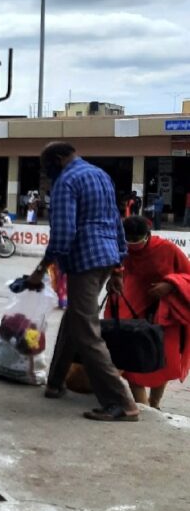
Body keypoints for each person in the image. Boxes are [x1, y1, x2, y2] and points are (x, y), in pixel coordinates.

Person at [26, 141, 139, 421]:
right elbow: (115, 222)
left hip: (84, 262)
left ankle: (122, 403)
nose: (47, 172)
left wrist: (41, 269)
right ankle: (55, 383)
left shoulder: (66, 181)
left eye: (47, 166)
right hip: (105, 258)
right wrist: (117, 268)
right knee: (75, 319)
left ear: (59, 158)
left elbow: (63, 233)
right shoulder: (100, 176)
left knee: (87, 333)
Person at [105, 216, 190, 409]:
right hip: (133, 314)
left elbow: (188, 274)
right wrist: (112, 280)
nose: (133, 245)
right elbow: (115, 274)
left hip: (165, 315)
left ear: (149, 235)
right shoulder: (120, 250)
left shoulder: (167, 249)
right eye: (129, 241)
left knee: (163, 360)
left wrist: (170, 285)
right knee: (132, 360)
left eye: (138, 240)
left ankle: (155, 403)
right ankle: (144, 407)